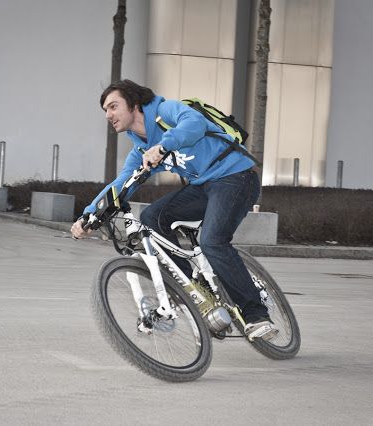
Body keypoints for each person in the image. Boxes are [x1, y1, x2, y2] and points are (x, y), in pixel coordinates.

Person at [70, 79, 276, 340]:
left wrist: (164, 145)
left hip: (237, 176)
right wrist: (88, 217)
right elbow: (121, 184)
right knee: (152, 217)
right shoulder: (141, 148)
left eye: (113, 106)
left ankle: (256, 314)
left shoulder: (165, 111)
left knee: (213, 241)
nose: (108, 115)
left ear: (134, 104)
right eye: (105, 111)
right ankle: (195, 288)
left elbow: (194, 123)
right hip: (204, 185)